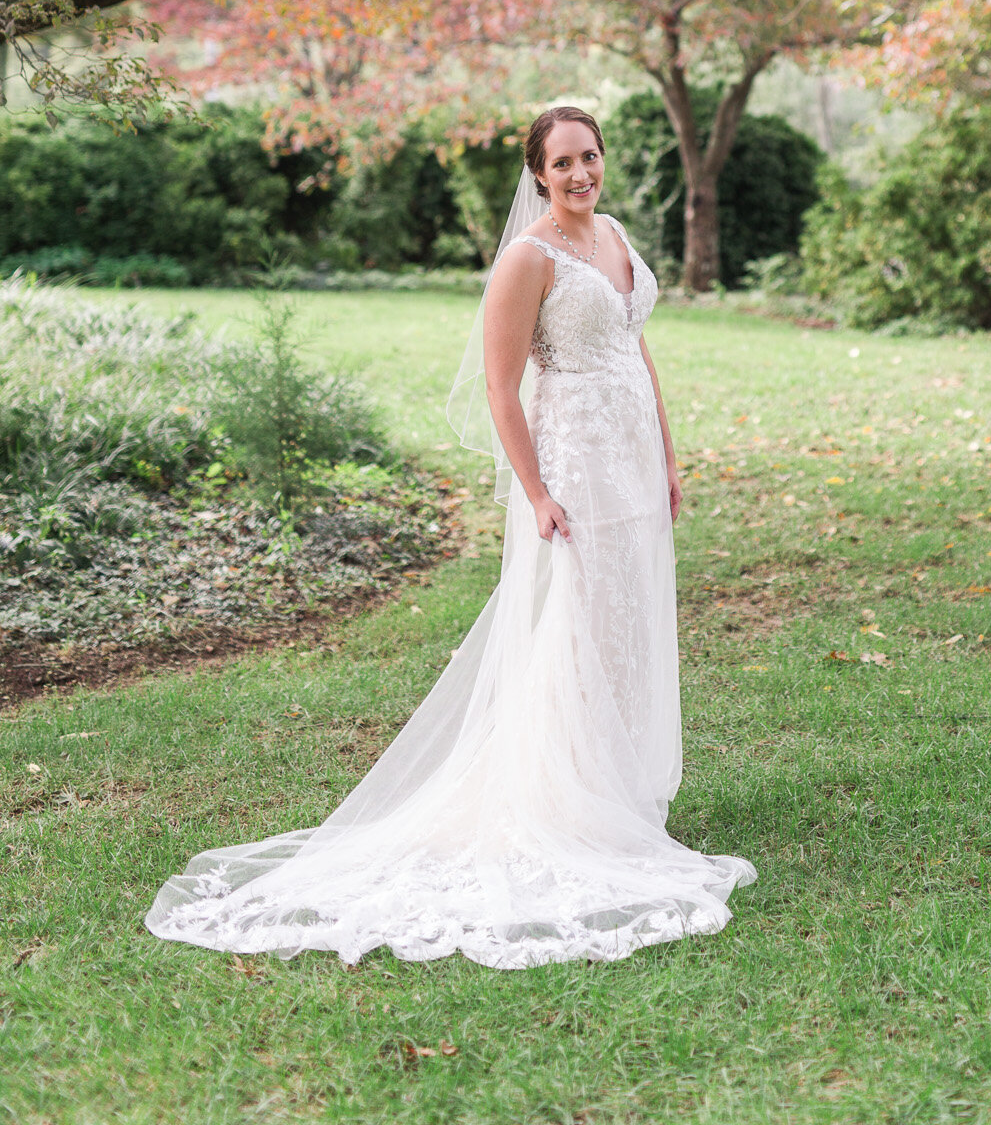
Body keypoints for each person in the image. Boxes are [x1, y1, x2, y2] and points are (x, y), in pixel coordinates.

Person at [145, 105, 756, 969]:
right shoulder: (528, 257)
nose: (581, 174)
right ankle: (564, 802)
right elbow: (503, 390)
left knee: (625, 624)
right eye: (563, 163)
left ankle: (620, 791)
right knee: (569, 629)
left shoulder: (615, 233)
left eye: (590, 157)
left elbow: (636, 349)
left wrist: (666, 458)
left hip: (631, 463)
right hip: (572, 467)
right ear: (537, 173)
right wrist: (536, 492)